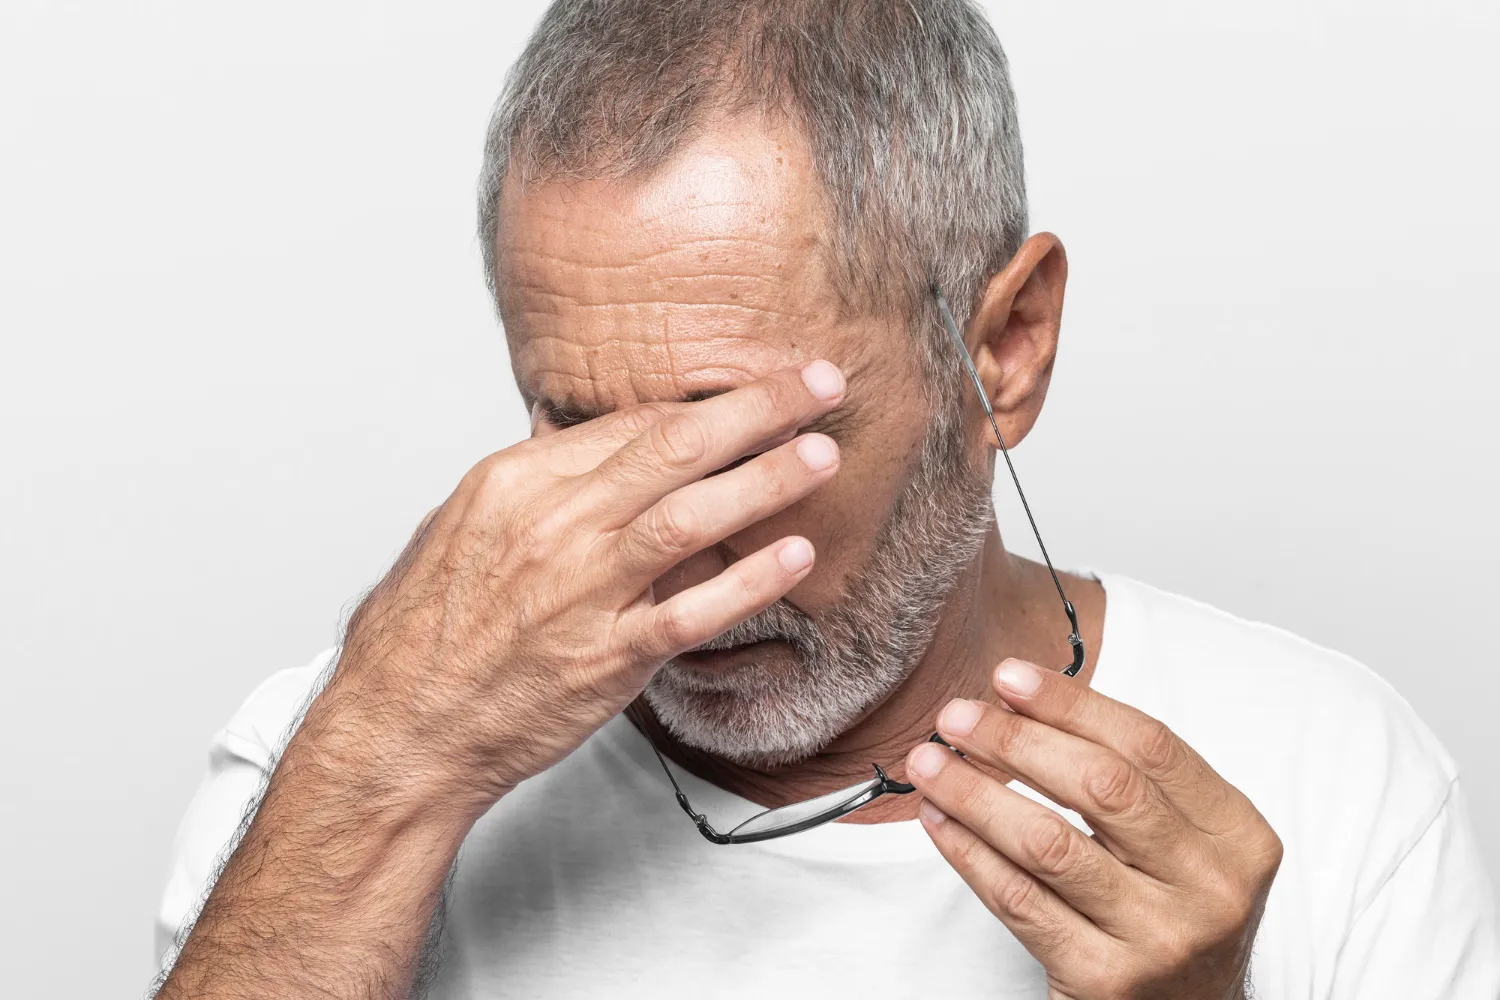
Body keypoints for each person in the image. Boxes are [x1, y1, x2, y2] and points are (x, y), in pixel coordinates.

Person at [151, 1, 1499, 997]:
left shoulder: (1326, 778)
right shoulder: (331, 769)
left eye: (732, 445)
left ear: (1004, 348)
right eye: (574, 427)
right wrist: (386, 765)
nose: (664, 560)